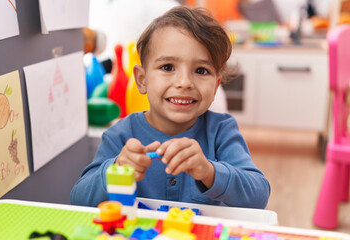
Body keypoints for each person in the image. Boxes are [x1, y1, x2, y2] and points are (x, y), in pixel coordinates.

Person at [71, 6, 270, 208]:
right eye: (167, 67)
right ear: (142, 80)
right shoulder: (121, 134)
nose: (184, 82)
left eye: (201, 70)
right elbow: (78, 198)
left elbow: (258, 196)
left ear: (216, 86)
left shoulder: (221, 131)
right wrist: (116, 168)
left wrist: (209, 172)